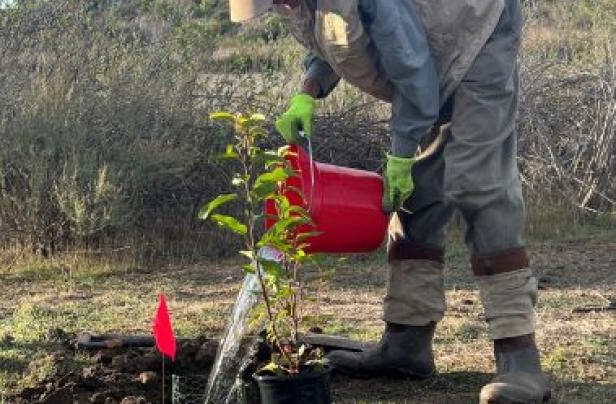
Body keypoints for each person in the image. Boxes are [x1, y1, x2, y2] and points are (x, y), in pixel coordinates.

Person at [228, 1, 551, 403]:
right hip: (432, 47)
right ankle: (407, 343)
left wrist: (400, 152)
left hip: (476, 30)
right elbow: (336, 40)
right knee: (415, 190)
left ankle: (519, 359)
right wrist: (308, 91)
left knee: (478, 184)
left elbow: (412, 68)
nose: (281, 6)